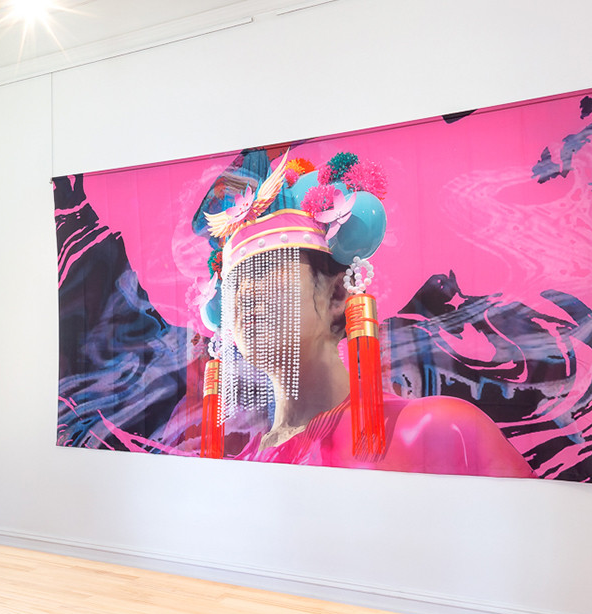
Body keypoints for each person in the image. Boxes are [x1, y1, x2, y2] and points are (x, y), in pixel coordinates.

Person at [198, 149, 533, 478]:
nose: (245, 293)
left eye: (267, 269)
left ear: (337, 295)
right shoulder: (244, 463)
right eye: (235, 282)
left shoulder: (439, 430)